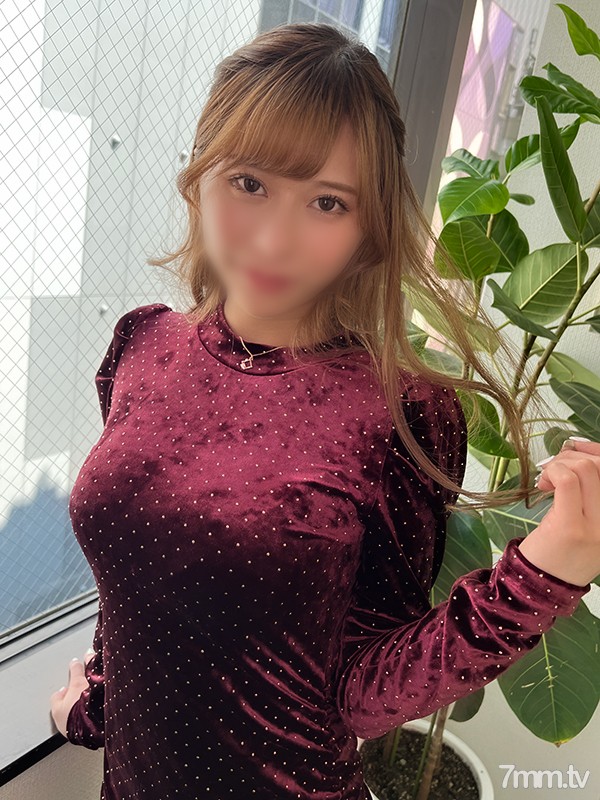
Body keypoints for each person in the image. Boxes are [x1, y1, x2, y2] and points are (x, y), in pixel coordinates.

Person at [49, 21, 598, 800]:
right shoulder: (143, 344)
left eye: (328, 202)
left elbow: (363, 689)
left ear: (369, 227)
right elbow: (141, 559)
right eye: (250, 184)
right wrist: (99, 696)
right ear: (199, 176)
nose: (275, 240)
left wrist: (548, 572)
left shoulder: (401, 410)